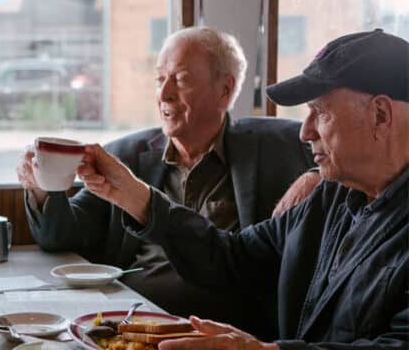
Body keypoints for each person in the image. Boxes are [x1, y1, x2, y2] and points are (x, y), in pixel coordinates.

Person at [77, 29, 408, 349]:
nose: (304, 133)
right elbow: (233, 258)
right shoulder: (330, 196)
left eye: (319, 112)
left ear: (380, 114)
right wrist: (137, 197)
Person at [16, 26, 317, 334]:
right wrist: (42, 187)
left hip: (226, 330)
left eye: (181, 79)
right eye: (160, 79)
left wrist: (316, 175)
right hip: (134, 321)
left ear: (224, 90)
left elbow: (345, 155)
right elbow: (61, 236)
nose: (163, 94)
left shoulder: (275, 146)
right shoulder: (127, 156)